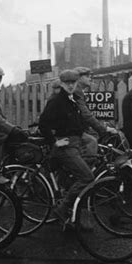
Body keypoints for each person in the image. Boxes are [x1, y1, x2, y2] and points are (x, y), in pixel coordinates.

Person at [39, 69, 94, 228]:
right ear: (62, 84)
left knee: (77, 178)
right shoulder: (56, 101)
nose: (70, 86)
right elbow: (43, 124)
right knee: (87, 178)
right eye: (67, 83)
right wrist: (54, 142)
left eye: (73, 83)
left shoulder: (72, 100)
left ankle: (75, 215)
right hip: (66, 147)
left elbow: (76, 123)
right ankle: (62, 209)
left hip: (75, 144)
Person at [74, 66, 118, 164]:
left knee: (94, 134)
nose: (90, 78)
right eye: (87, 76)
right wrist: (103, 128)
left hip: (78, 127)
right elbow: (85, 114)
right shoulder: (76, 91)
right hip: (72, 130)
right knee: (91, 141)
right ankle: (87, 169)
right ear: (79, 78)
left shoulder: (79, 91)